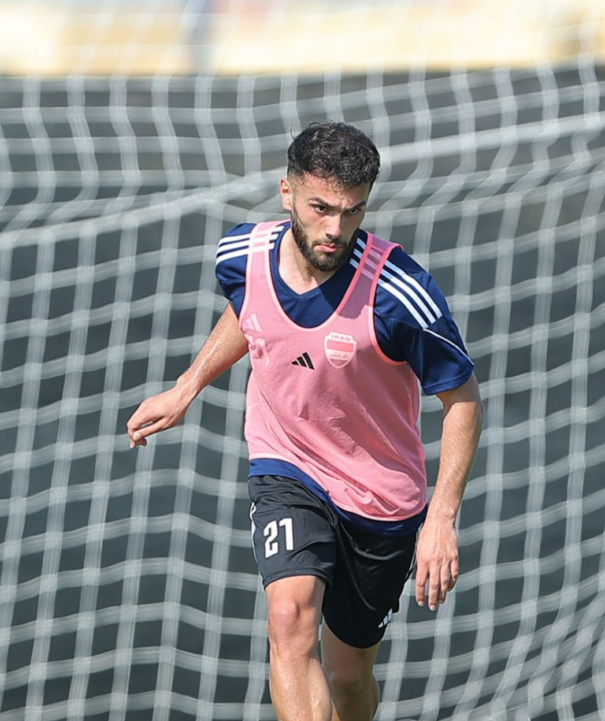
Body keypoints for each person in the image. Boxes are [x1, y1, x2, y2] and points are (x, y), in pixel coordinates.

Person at [127, 121, 483, 721]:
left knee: (348, 678)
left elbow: (463, 399)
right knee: (290, 617)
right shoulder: (241, 256)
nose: (335, 229)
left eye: (352, 211)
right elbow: (252, 313)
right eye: (321, 208)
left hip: (380, 498)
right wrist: (187, 387)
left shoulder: (400, 293)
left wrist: (441, 519)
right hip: (286, 465)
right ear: (286, 192)